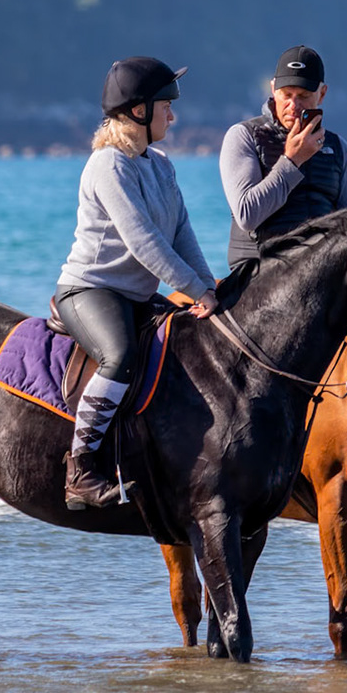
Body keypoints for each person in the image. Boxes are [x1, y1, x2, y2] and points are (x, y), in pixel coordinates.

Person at [55, 56, 219, 509]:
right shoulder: (108, 166)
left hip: (137, 295)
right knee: (120, 354)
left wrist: (210, 291)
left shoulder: (161, 165)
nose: (174, 115)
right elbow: (144, 242)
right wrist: (194, 288)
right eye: (167, 105)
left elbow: (181, 234)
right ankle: (81, 471)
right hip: (90, 291)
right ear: (138, 111)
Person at [221, 45, 347, 269]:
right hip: (260, 272)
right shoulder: (244, 136)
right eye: (286, 95)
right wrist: (292, 161)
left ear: (322, 93)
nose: (293, 105)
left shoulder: (337, 148)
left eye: (304, 96)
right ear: (273, 89)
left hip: (319, 271)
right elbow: (247, 215)